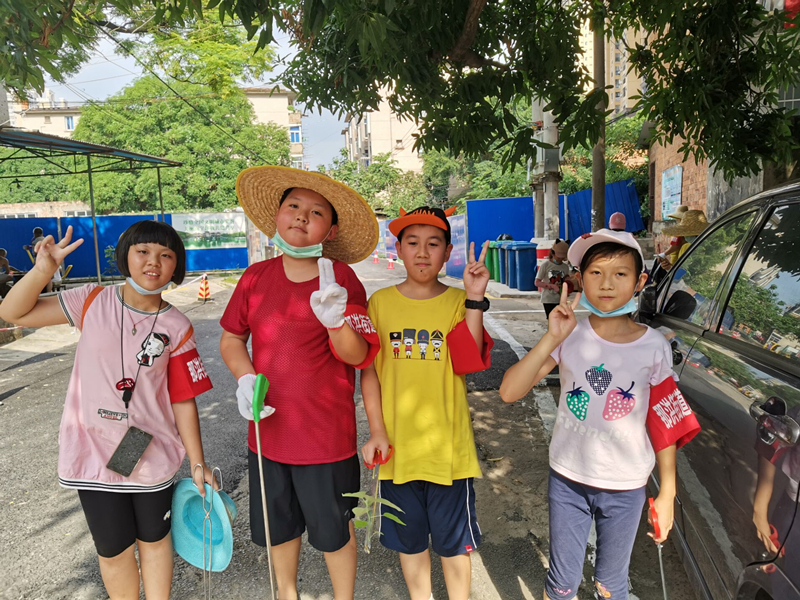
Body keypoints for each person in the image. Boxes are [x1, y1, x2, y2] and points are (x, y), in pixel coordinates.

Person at [0, 220, 217, 599]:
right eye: (143, 251)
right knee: (114, 550)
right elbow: (13, 312)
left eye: (166, 255)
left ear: (177, 266)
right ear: (124, 257)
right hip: (92, 455)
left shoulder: (177, 326)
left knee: (155, 540)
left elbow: (183, 398)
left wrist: (197, 463)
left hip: (151, 454)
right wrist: (41, 272)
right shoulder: (90, 300)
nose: (153, 261)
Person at [499, 229, 701, 600]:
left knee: (610, 585)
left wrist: (667, 493)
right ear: (580, 279)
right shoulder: (569, 335)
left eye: (620, 273)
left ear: (640, 281)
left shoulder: (654, 346)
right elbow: (510, 391)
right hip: (568, 479)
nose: (607, 283)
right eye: (595, 273)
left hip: (626, 486)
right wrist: (552, 337)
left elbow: (665, 422)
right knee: (561, 585)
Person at [219, 166, 380, 600]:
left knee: (334, 532)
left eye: (317, 212)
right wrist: (245, 377)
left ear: (331, 230)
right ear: (277, 214)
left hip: (325, 439)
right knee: (279, 529)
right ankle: (286, 593)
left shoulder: (341, 279)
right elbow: (231, 338)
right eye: (293, 205)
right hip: (267, 436)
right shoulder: (255, 278)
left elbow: (358, 356)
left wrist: (335, 322)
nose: (302, 216)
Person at [361, 206, 493, 600]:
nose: (422, 252)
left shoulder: (457, 302)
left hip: (448, 451)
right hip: (397, 452)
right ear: (398, 249)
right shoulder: (379, 303)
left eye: (433, 244)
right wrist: (377, 430)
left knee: (454, 546)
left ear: (448, 251)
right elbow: (369, 372)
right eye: (413, 243)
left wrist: (474, 298)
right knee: (410, 542)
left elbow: (468, 360)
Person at [535, 239, 574, 320]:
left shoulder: (565, 267)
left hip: (561, 299)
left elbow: (566, 280)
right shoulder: (545, 265)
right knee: (552, 320)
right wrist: (552, 286)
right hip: (548, 299)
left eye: (562, 258)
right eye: (559, 257)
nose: (560, 259)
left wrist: (568, 283)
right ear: (552, 253)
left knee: (561, 319)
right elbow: (537, 282)